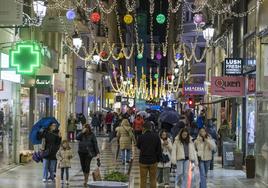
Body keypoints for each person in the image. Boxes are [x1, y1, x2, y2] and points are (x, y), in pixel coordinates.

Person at [137, 121, 162, 188]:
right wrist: (158, 159)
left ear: (143, 128)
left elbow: (138, 146)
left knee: (143, 180)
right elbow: (159, 149)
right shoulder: (156, 136)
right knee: (153, 179)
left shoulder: (141, 137)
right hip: (153, 161)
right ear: (151, 128)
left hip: (143, 161)